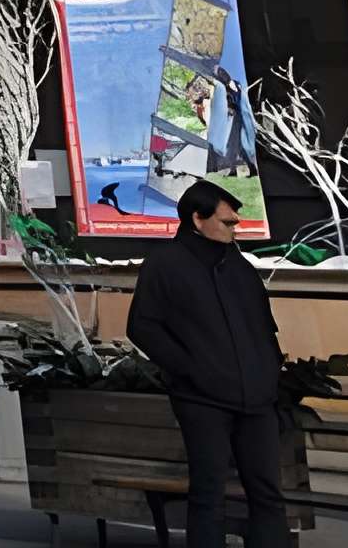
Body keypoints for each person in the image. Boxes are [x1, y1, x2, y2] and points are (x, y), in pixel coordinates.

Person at [126, 177, 292, 548]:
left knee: (268, 493)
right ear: (198, 220)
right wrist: (190, 369)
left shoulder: (239, 266)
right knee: (208, 493)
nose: (235, 229)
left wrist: (270, 371)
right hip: (202, 399)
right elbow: (143, 327)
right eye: (227, 222)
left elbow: (263, 325)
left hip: (257, 398)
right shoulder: (165, 264)